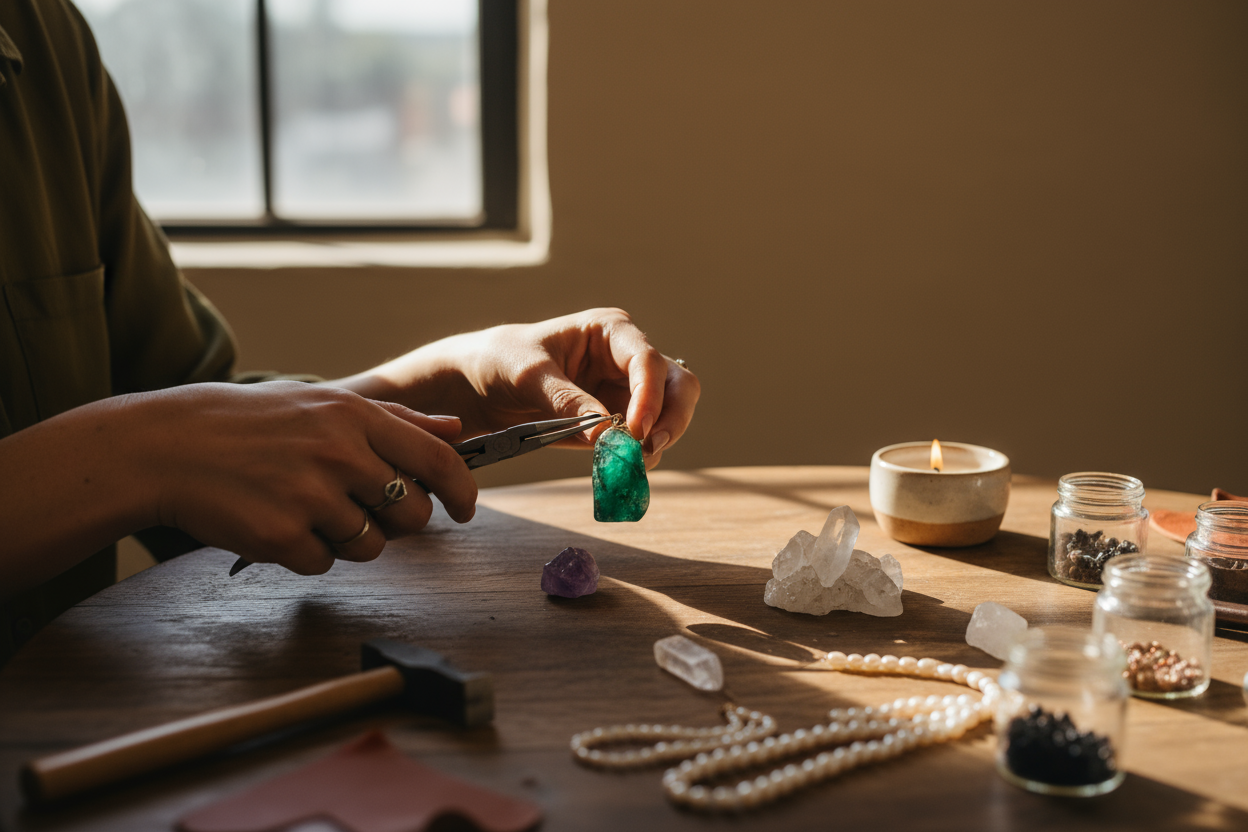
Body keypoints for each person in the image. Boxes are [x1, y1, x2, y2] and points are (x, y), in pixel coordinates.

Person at [0, 0, 699, 663]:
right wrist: (143, 454)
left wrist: (455, 384)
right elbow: (175, 442)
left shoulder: (43, 38)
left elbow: (203, 430)